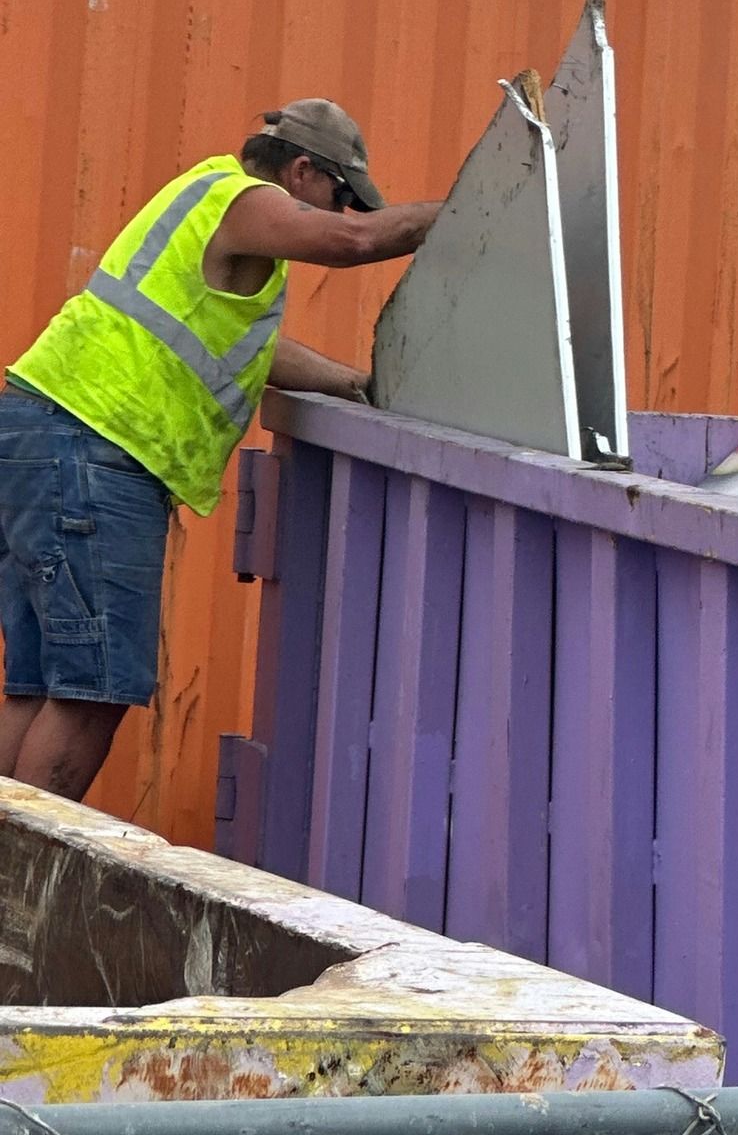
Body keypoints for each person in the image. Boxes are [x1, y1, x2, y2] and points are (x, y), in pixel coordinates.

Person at [0, 99, 442, 802]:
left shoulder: (203, 205)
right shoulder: (246, 200)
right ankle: (22, 892)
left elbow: (250, 356)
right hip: (96, 450)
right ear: (303, 172)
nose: (344, 212)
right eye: (340, 195)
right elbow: (353, 244)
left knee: (38, 686)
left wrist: (355, 384)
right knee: (92, 690)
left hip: (43, 435)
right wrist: (462, 216)